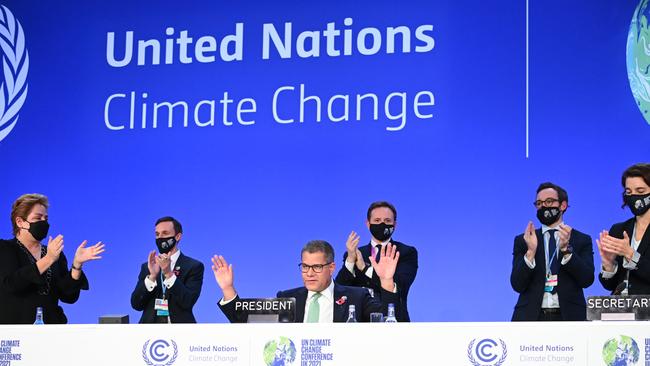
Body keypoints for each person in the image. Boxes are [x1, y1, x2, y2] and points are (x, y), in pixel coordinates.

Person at [213, 240, 403, 323]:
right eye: (305, 266)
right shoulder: (288, 298)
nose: (309, 273)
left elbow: (392, 321)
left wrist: (386, 281)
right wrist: (228, 289)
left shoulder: (356, 296)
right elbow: (246, 318)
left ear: (331, 267)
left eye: (317, 267)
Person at [0, 193, 105, 324]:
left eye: (46, 218)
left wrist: (77, 265)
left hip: (52, 331)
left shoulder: (54, 253)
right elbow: (11, 284)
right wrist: (48, 259)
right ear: (20, 222)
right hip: (18, 332)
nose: (43, 222)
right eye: (38, 218)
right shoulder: (5, 249)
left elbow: (68, 296)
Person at [510, 183, 594, 321]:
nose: (543, 206)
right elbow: (517, 284)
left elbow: (587, 280)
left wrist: (567, 251)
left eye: (549, 201)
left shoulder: (581, 239)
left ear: (563, 205)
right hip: (530, 318)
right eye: (539, 203)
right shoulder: (524, 240)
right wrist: (530, 252)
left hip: (570, 318)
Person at [334, 201, 417, 321]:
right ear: (368, 224)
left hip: (394, 322)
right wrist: (350, 261)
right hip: (360, 324)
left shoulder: (406, 252)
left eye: (387, 221)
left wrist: (365, 268)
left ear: (395, 224)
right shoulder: (356, 254)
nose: (382, 224)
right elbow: (340, 290)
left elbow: (400, 285)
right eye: (377, 220)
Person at [130, 216, 204, 323]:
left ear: (178, 236)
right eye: (157, 234)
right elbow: (136, 304)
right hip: (149, 334)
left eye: (165, 233)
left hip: (181, 332)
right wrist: (152, 277)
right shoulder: (147, 267)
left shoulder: (193, 266)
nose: (160, 238)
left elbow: (188, 302)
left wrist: (169, 273)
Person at [598, 163, 650, 295]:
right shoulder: (618, 229)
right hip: (620, 311)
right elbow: (609, 285)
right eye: (628, 192)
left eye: (640, 191)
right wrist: (608, 265)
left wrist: (631, 255)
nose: (633, 197)